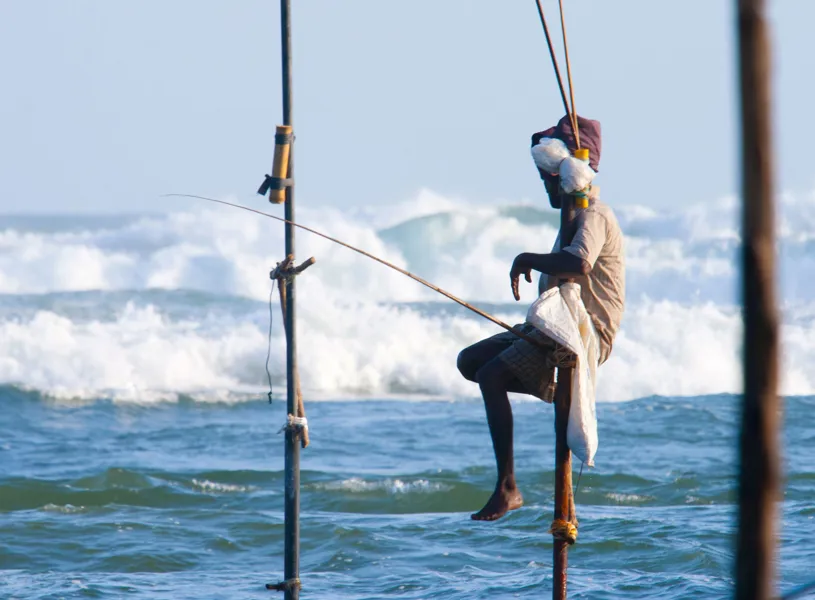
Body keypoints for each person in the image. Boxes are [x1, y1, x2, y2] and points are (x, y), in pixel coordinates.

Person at [457, 115, 625, 521]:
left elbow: (579, 265)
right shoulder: (572, 218)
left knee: (493, 376)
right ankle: (550, 386)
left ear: (564, 177)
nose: (546, 188)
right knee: (471, 362)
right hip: (552, 328)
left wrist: (526, 258)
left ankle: (507, 487)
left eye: (549, 180)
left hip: (582, 335)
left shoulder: (594, 216)